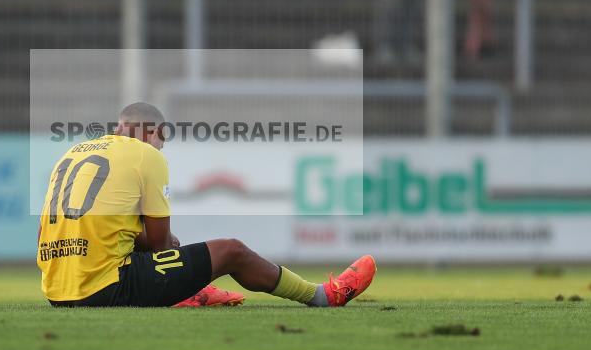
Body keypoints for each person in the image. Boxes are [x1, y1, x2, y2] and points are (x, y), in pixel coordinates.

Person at [37, 102, 376, 308]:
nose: (160, 149)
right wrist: (171, 247)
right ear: (154, 132)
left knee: (151, 248)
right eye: (161, 142)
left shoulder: (73, 152)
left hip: (56, 290)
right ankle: (323, 295)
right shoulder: (145, 155)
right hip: (105, 287)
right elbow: (160, 245)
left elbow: (53, 231)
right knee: (231, 250)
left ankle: (189, 290)